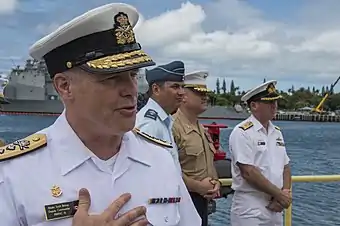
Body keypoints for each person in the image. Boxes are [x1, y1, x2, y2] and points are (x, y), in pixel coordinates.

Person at [0, 3, 201, 226]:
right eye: (111, 78)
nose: (131, 90)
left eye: (133, 75)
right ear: (65, 86)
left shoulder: (160, 159)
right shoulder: (13, 174)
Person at [229, 80, 292, 226]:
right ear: (254, 105)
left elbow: (286, 167)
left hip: (276, 205)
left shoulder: (276, 133)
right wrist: (280, 195)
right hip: (251, 205)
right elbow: (248, 172)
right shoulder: (242, 132)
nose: (274, 106)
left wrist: (285, 193)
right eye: (270, 102)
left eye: (275, 102)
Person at [172, 71, 220, 226]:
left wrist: (216, 181)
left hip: (202, 200)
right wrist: (198, 186)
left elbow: (207, 162)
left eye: (205, 93)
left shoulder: (200, 128)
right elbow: (168, 170)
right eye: (199, 93)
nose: (205, 97)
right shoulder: (172, 126)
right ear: (184, 95)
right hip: (182, 200)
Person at [136, 61, 185, 171]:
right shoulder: (150, 124)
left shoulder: (163, 121)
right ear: (156, 89)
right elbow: (146, 172)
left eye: (183, 87)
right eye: (175, 87)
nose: (182, 92)